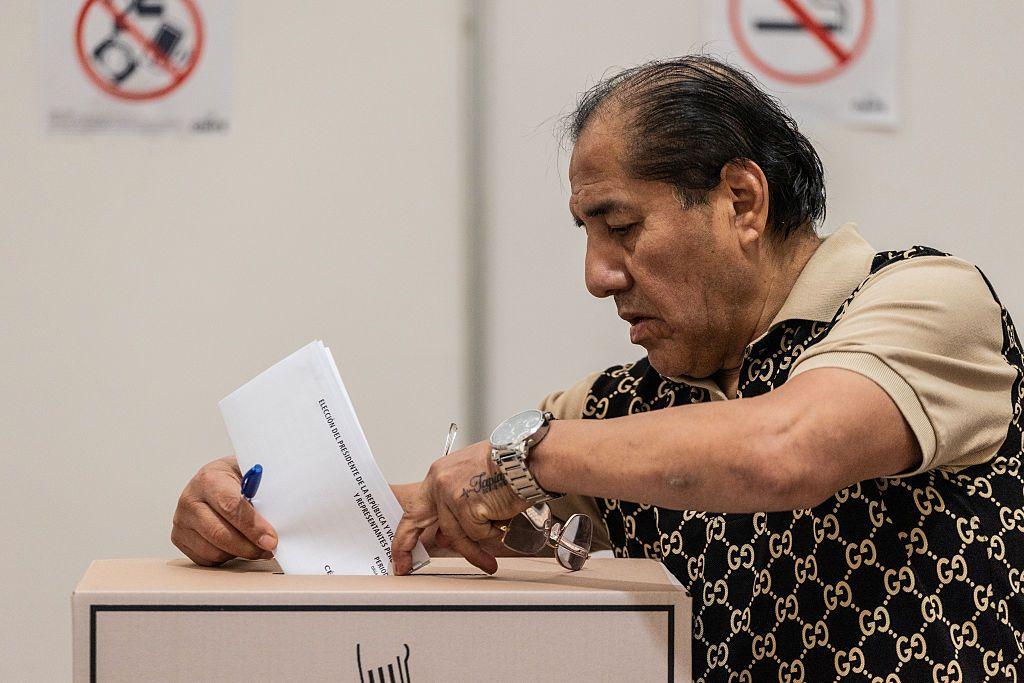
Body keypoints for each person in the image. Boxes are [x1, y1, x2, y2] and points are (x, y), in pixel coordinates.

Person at [173, 56, 1024, 680]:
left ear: (742, 200)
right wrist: (253, 520)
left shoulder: (927, 302)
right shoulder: (619, 408)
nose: (597, 275)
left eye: (620, 228)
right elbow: (437, 509)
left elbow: (782, 449)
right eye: (585, 234)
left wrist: (525, 457)